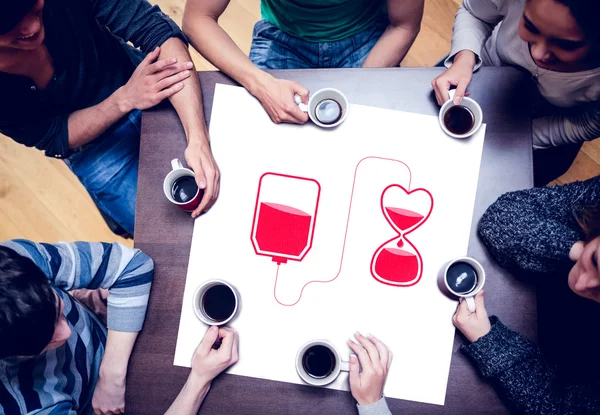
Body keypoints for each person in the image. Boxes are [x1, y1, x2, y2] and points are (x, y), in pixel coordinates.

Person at [0, 0, 220, 237]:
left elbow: (156, 31)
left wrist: (197, 138)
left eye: (34, 8)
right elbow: (55, 135)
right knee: (168, 239)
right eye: (10, 27)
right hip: (92, 146)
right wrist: (124, 99)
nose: (32, 27)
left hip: (141, 80)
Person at [0, 239, 240, 415]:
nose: (67, 333)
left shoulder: (17, 261)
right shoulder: (24, 414)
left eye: (57, 309)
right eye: (45, 341)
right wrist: (199, 379)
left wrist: (111, 375)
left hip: (113, 350)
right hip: (106, 410)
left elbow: (133, 265)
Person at [450, 178, 600, 415]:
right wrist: (576, 250)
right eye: (596, 261)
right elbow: (501, 220)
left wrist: (490, 342)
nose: (582, 285)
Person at [431, 0, 600, 183]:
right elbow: (474, 12)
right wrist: (464, 57)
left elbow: (589, 123)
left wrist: (523, 139)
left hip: (551, 125)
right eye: (530, 26)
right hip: (479, 70)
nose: (537, 53)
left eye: (566, 45)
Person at [182, 0, 424, 124]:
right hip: (282, 37)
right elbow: (197, 19)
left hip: (366, 37)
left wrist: (362, 87)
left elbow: (403, 25)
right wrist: (261, 85)